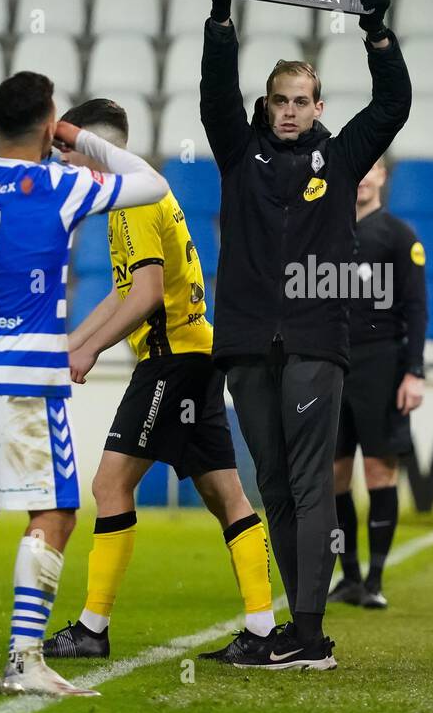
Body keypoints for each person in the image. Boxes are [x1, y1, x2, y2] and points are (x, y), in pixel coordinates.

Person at [199, 0, 412, 669]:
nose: (289, 109)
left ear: (320, 107)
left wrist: (376, 35)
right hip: (246, 345)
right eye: (279, 100)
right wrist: (221, 22)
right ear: (267, 106)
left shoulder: (342, 161)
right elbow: (213, 97)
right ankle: (298, 629)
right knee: (276, 485)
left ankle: (312, 632)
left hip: (318, 343)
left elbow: (393, 107)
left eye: (302, 100)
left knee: (312, 480)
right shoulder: (238, 156)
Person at [0, 72, 169, 696]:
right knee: (57, 512)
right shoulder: (58, 184)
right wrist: (73, 137)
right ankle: (25, 658)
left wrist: (47, 133)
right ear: (48, 125)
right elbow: (152, 183)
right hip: (27, 374)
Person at [36, 99, 276, 666]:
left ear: (93, 150)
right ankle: (263, 629)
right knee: (227, 494)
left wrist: (87, 351)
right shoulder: (138, 190)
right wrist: (71, 344)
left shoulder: (132, 200)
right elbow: (127, 293)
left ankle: (94, 627)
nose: (64, 167)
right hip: (194, 355)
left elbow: (144, 298)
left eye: (68, 153)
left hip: (172, 362)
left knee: (110, 485)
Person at [328, 157, 427, 611]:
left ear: (384, 176)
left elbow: (417, 309)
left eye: (372, 169)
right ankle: (348, 575)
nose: (363, 176)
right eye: (358, 169)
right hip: (332, 366)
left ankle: (375, 579)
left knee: (380, 471)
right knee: (333, 476)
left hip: (382, 365)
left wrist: (415, 371)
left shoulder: (399, 236)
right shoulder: (327, 230)